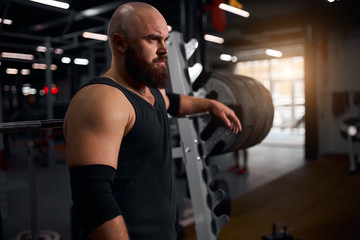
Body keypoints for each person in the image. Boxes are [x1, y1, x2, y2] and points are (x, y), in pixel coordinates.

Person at [63, 2, 242, 240]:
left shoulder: (150, 93)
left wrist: (211, 104)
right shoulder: (103, 99)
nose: (164, 49)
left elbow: (175, 103)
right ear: (120, 43)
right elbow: (92, 198)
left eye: (165, 39)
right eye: (152, 39)